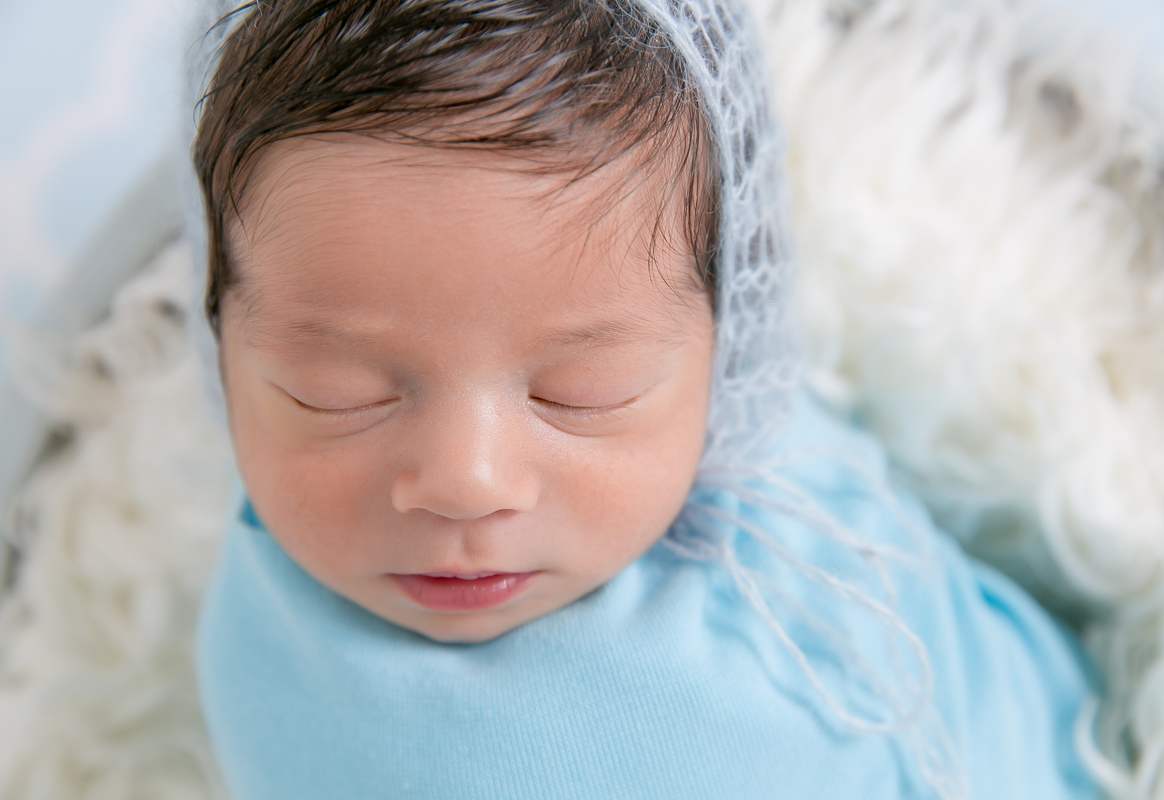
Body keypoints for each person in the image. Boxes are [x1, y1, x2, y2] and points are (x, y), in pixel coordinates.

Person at [191, 1, 1102, 798]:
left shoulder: (784, 478)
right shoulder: (274, 671)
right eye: (334, 393)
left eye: (582, 392)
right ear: (220, 346)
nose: (466, 483)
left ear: (731, 340)